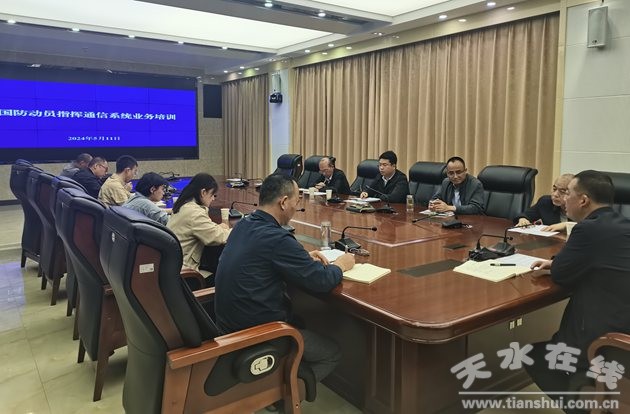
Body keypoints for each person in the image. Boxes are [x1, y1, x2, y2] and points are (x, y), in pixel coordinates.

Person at [215, 174, 355, 385]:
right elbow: (322, 281)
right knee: (331, 353)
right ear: (283, 202)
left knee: (300, 320)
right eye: (297, 202)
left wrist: (301, 258)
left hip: (229, 325)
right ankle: (283, 392)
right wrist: (341, 265)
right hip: (259, 333)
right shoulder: (277, 238)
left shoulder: (243, 224)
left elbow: (262, 258)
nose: (297, 208)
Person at [527, 171, 630, 411]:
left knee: (535, 357)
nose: (564, 199)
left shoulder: (588, 229)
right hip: (625, 324)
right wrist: (558, 263)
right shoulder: (623, 224)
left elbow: (562, 275)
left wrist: (557, 265)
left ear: (583, 200)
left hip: (605, 339)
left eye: (568, 193)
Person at [167, 173, 231, 276]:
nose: (213, 199)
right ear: (203, 192)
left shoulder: (184, 205)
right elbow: (217, 237)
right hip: (185, 272)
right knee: (225, 275)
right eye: (212, 195)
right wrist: (238, 230)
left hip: (173, 266)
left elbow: (204, 229)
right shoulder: (194, 213)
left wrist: (218, 227)